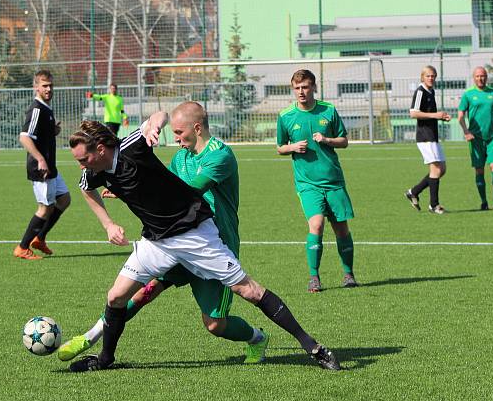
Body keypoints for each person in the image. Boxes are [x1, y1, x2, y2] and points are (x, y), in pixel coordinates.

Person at [67, 118, 340, 371]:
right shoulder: (95, 171)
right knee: (116, 297)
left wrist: (154, 127)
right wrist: (108, 224)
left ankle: (312, 346)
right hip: (157, 241)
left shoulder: (132, 146)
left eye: (84, 158)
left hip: (194, 234)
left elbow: (158, 115)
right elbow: (85, 187)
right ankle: (105, 359)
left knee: (249, 291)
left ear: (101, 149)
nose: (82, 165)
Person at [57, 101, 269, 365]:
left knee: (215, 325)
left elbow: (185, 193)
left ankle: (257, 338)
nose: (176, 139)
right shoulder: (181, 158)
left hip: (211, 239)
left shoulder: (219, 155)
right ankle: (93, 337)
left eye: (179, 133)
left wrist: (133, 187)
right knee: (141, 292)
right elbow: (161, 187)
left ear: (197, 128)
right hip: (173, 238)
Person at [276, 69, 357, 293]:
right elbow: (280, 147)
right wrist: (292, 147)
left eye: (305, 87)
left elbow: (344, 141)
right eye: (297, 88)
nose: (301, 92)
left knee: (341, 228)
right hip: (307, 183)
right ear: (293, 89)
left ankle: (348, 274)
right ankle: (314, 277)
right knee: (317, 224)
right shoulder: (285, 116)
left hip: (333, 180)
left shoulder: (328, 111)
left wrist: (327, 139)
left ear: (313, 87)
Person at [13, 69, 71, 260]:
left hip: (50, 166)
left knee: (64, 199)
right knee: (44, 208)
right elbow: (24, 137)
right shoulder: (37, 109)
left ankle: (40, 238)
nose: (48, 89)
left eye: (50, 85)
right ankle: (22, 247)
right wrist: (40, 159)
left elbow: (40, 135)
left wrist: (52, 131)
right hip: (41, 168)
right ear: (36, 87)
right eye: (44, 85)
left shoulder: (46, 108)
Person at [457, 67, 493, 211]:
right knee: (479, 171)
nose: (480, 78)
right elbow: (460, 116)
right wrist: (466, 131)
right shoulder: (468, 95)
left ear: (486, 77)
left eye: (483, 76)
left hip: (491, 137)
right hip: (475, 139)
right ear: (474, 78)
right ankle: (484, 201)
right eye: (478, 76)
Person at [404, 65, 451, 214]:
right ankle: (434, 205)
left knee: (441, 169)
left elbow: (429, 113)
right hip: (425, 136)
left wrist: (441, 117)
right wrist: (435, 115)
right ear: (422, 77)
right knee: (436, 169)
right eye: (428, 76)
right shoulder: (420, 91)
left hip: (432, 135)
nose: (431, 78)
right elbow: (413, 113)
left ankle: (414, 192)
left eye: (433, 76)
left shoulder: (431, 91)